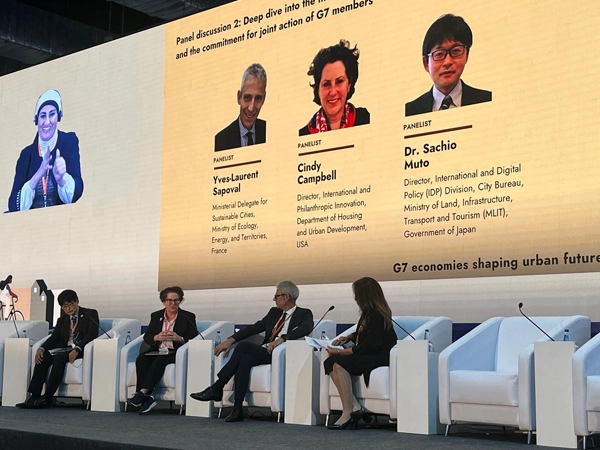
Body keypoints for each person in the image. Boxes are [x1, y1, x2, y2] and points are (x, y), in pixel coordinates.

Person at [190, 280, 313, 422]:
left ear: (286, 297)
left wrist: (283, 339)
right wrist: (231, 339)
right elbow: (254, 328)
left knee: (243, 347)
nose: (274, 299)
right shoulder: (274, 313)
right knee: (245, 360)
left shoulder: (304, 313)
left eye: (277, 295)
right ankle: (237, 409)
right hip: (265, 351)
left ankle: (217, 387)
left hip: (281, 353)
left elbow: (306, 328)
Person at [324, 277, 397, 430]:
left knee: (338, 362)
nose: (355, 298)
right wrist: (348, 337)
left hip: (379, 356)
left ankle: (347, 411)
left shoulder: (377, 315)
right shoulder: (368, 313)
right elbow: (363, 335)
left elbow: (371, 345)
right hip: (369, 353)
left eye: (357, 294)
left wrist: (341, 352)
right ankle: (355, 406)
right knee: (329, 362)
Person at [16, 289, 99, 409]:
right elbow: (54, 338)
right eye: (65, 306)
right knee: (43, 358)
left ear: (77, 301)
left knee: (59, 358)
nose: (68, 309)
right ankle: (34, 396)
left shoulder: (89, 314)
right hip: (65, 349)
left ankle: (47, 397)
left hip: (82, 349)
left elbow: (92, 334)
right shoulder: (62, 320)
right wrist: (42, 348)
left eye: (70, 304)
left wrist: (78, 349)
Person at [8, 89, 84, 212]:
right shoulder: (26, 155)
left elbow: (78, 190)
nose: (47, 121)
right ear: (36, 120)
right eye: (43, 116)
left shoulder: (68, 141)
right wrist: (38, 174)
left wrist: (62, 179)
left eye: (52, 114)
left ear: (58, 116)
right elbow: (13, 204)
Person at [126, 286, 198, 414]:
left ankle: (141, 394)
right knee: (141, 359)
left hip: (175, 351)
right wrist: (156, 337)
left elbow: (194, 337)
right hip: (158, 348)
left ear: (180, 301)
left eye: (176, 300)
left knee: (159, 361)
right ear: (164, 301)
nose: (173, 304)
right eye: (170, 300)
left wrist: (179, 338)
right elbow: (147, 336)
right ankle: (145, 398)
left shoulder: (188, 317)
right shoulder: (156, 316)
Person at [405, 14, 492, 117]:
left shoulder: (488, 102)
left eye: (455, 51)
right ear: (426, 63)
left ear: (466, 55)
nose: (447, 62)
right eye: (439, 54)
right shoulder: (409, 112)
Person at [299, 39, 369, 136]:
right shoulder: (303, 135)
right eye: (326, 84)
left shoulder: (366, 120)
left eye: (339, 81)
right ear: (318, 89)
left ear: (349, 85)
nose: (333, 92)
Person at [215, 63, 267, 151]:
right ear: (239, 97)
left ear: (264, 99)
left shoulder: (269, 132)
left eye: (258, 98)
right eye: (247, 97)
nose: (251, 107)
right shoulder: (221, 140)